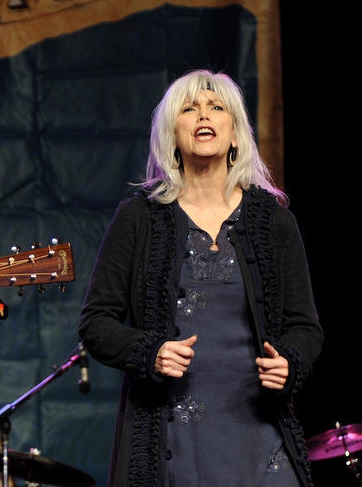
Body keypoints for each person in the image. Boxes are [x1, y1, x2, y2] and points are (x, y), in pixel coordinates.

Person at [78, 70, 322, 487]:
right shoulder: (139, 217)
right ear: (173, 134)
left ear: (235, 133)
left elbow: (305, 327)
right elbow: (96, 321)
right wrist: (149, 351)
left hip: (261, 438)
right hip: (173, 440)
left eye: (216, 107)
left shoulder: (274, 222)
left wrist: (289, 362)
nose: (202, 115)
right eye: (189, 109)